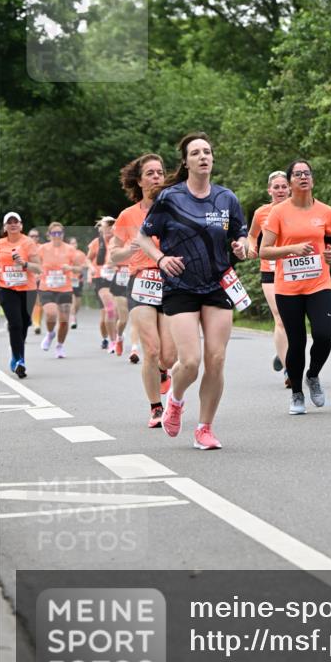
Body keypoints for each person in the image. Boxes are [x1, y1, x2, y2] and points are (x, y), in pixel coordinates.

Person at [137, 132, 249, 449]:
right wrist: (160, 258)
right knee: (190, 362)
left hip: (217, 284)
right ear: (185, 162)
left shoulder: (227, 198)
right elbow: (143, 236)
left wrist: (242, 246)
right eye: (196, 152)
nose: (203, 156)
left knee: (216, 358)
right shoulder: (170, 198)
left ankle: (204, 428)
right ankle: (175, 398)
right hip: (180, 286)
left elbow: (241, 236)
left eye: (207, 151)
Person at [260, 159, 331, 415]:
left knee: (324, 336)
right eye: (298, 174)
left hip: (319, 283)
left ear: (312, 180)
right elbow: (264, 250)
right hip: (288, 288)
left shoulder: (325, 211)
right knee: (297, 342)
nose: (303, 177)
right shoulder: (279, 212)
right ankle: (296, 393)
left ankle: (313, 375)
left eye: (307, 173)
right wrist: (291, 248)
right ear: (291, 181)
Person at [110, 153, 177, 428]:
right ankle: (155, 408)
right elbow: (114, 254)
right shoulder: (128, 216)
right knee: (150, 348)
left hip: (171, 282)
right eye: (150, 173)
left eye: (160, 172)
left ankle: (163, 370)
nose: (156, 178)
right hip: (141, 283)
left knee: (169, 355)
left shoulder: (175, 208)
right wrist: (129, 250)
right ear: (139, 181)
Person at [247, 170, 290, 386]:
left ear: (290, 188)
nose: (280, 190)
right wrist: (252, 247)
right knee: (280, 317)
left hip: (294, 271)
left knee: (294, 320)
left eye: (284, 186)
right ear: (269, 190)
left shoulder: (299, 209)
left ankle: (284, 354)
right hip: (270, 270)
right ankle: (289, 370)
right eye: (276, 187)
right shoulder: (261, 213)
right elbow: (252, 235)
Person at [0, 212, 41, 377]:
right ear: (5, 226)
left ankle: (16, 353)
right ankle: (19, 360)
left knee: (25, 323)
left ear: (21, 225)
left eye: (16, 221)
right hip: (6, 289)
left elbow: (39, 268)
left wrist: (24, 263)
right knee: (15, 323)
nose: (13, 224)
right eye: (10, 222)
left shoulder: (28, 243)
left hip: (28, 289)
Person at [38, 222, 82, 358]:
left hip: (64, 288)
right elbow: (35, 264)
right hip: (47, 287)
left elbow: (79, 268)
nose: (57, 236)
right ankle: (50, 333)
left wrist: (71, 268)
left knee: (64, 320)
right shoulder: (42, 249)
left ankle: (60, 345)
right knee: (51, 314)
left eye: (59, 233)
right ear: (49, 235)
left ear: (63, 234)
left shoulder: (70, 249)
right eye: (54, 233)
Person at [87, 218, 118, 352]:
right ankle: (111, 340)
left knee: (111, 311)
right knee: (110, 308)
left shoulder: (119, 241)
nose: (110, 229)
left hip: (116, 278)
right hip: (100, 278)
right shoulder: (97, 242)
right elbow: (88, 258)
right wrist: (90, 269)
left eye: (113, 227)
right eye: (108, 227)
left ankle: (112, 337)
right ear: (102, 228)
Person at [67, 236, 88, 329]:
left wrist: (84, 266)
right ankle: (72, 318)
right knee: (73, 301)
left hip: (79, 280)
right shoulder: (65, 254)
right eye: (71, 243)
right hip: (69, 280)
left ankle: (72, 315)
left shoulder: (81, 254)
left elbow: (86, 265)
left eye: (75, 243)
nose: (73, 245)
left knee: (78, 303)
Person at [27, 228, 43, 333]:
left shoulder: (42, 248)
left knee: (39, 302)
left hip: (40, 277)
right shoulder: (24, 247)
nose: (34, 238)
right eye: (32, 236)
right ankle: (30, 322)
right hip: (26, 279)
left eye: (36, 236)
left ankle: (37, 323)